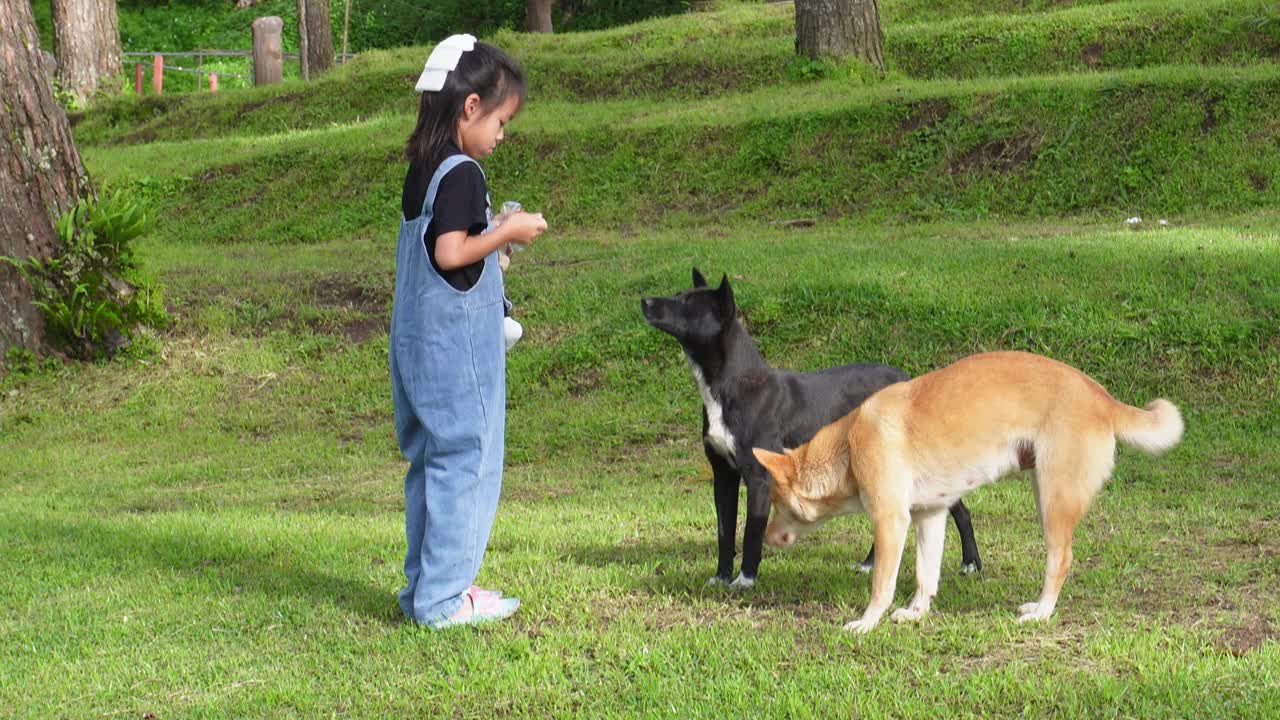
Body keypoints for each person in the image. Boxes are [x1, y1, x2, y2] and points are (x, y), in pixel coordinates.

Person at [391, 33, 547, 628]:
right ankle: (444, 599)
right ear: (471, 107)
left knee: (430, 464)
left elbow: (433, 249)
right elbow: (453, 251)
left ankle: (424, 588)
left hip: (414, 344)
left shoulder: (424, 167)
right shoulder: (462, 172)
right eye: (502, 121)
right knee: (467, 462)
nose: (503, 135)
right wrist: (509, 232)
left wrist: (494, 228)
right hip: (457, 352)